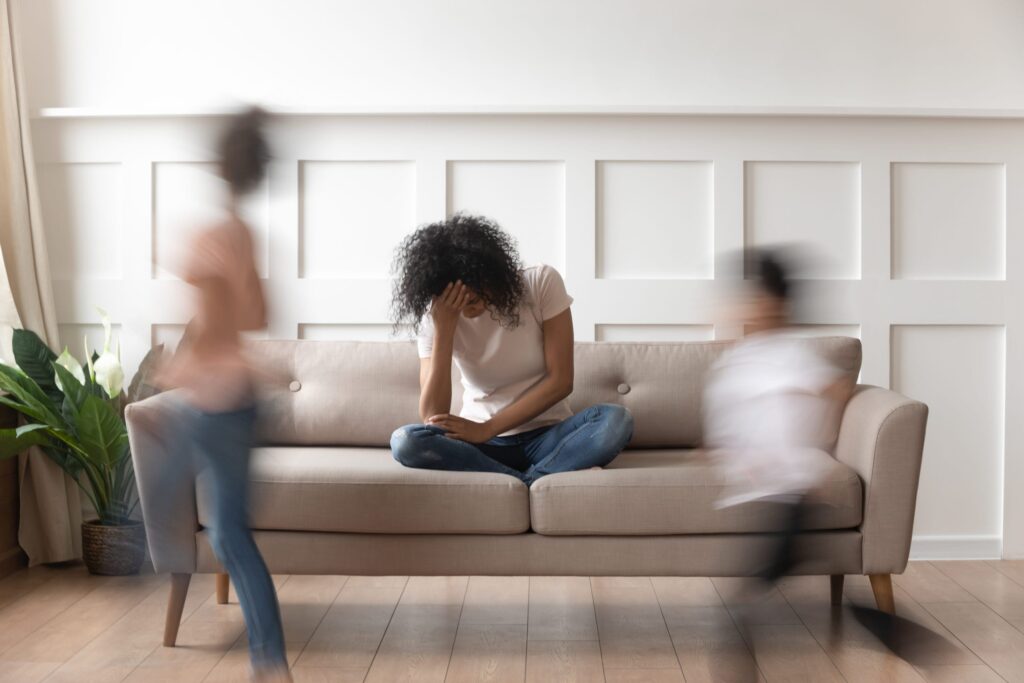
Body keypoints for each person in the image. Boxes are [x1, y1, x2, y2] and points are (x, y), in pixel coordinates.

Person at [156, 108, 290, 682]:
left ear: (219, 162)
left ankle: (270, 664)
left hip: (212, 401)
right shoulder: (243, 233)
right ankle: (270, 663)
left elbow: (211, 325)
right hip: (241, 399)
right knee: (230, 533)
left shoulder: (211, 235)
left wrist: (180, 370)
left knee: (179, 518)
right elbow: (259, 313)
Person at [389, 213, 633, 486]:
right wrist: (444, 329)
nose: (469, 306)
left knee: (616, 419)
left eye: (475, 294)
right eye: (458, 300)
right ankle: (529, 481)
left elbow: (561, 381)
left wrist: (487, 429)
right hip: (481, 445)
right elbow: (432, 416)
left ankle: (518, 481)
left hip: (548, 436)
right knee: (404, 441)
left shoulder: (541, 282)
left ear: (491, 274)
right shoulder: (435, 317)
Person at [703, 248, 853, 579]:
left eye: (755, 301)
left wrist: (825, 440)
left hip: (786, 478)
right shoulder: (739, 359)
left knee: (776, 547)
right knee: (772, 548)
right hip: (759, 473)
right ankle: (768, 580)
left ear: (775, 306)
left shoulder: (788, 355)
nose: (744, 311)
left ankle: (755, 593)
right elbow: (730, 413)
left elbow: (837, 389)